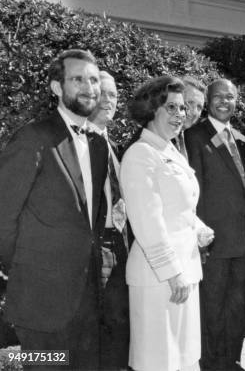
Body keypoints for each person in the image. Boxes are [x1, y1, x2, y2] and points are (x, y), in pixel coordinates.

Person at [0, 49, 109, 370]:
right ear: (57, 88)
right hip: (40, 299)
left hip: (88, 298)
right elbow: (3, 214)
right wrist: (21, 266)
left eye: (93, 79)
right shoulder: (32, 138)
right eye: (78, 79)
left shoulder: (99, 145)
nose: (89, 87)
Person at [120, 76, 215, 371]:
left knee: (184, 357)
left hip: (185, 271)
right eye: (171, 108)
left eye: (182, 108)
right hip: (159, 277)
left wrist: (198, 227)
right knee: (159, 361)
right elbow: (147, 220)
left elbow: (178, 207)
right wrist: (173, 273)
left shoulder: (169, 149)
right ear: (151, 110)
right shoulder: (140, 154)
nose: (179, 115)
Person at [184, 79, 245, 371]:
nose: (225, 102)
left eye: (231, 96)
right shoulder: (193, 136)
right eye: (218, 97)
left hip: (242, 243)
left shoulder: (241, 137)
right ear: (208, 101)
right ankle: (212, 365)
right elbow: (191, 194)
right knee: (212, 310)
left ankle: (232, 361)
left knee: (237, 309)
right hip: (212, 244)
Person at [88, 70, 130, 370]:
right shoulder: (75, 144)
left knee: (119, 323)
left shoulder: (114, 147)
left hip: (121, 246)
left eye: (113, 95)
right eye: (102, 93)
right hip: (95, 248)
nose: (108, 100)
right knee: (97, 326)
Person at [173, 76, 206, 157]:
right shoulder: (158, 135)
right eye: (190, 102)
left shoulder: (191, 144)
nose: (194, 112)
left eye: (199, 107)